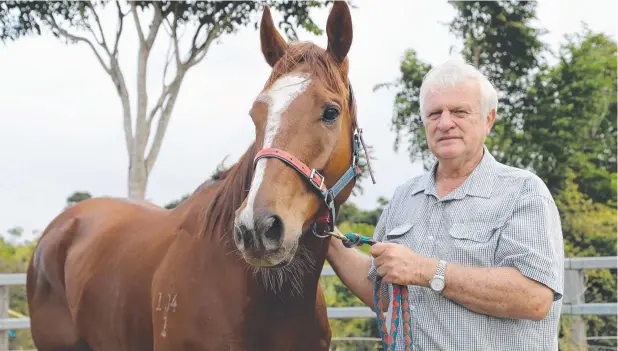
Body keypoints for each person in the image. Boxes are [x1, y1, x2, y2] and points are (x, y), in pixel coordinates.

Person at [327, 57, 564, 350]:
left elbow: (535, 298)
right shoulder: (403, 198)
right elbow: (384, 295)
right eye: (434, 113)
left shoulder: (524, 192)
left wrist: (427, 271)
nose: (445, 123)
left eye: (460, 112)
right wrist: (327, 237)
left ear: (488, 119)